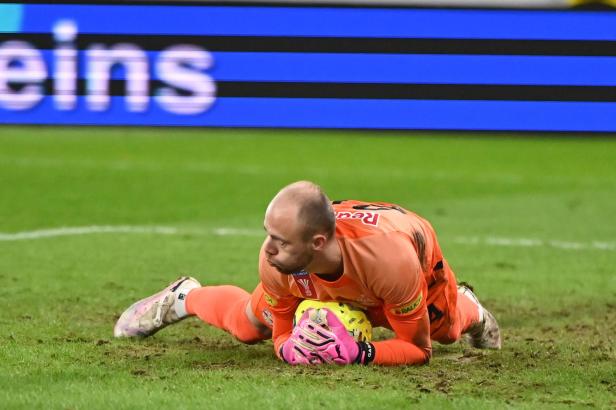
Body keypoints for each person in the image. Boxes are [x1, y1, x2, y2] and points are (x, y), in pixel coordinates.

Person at [115, 181, 501, 366]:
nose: (267, 249)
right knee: (249, 327)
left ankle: (469, 306)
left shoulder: (389, 262)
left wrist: (360, 353)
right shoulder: (277, 261)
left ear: (317, 242)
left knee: (446, 333)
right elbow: (280, 333)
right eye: (268, 234)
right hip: (330, 273)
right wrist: (290, 349)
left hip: (409, 264)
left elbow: (418, 351)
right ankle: (184, 297)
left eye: (280, 240)